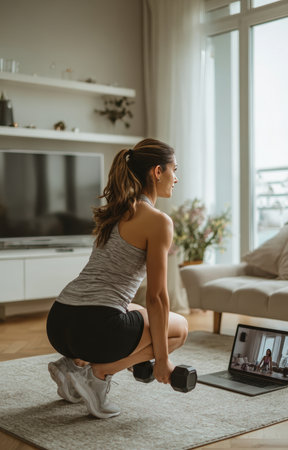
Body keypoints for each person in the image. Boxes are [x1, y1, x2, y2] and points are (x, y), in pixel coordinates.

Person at [46, 138, 188, 419]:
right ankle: (97, 374)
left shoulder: (115, 211)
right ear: (157, 172)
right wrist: (162, 360)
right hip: (96, 326)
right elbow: (157, 297)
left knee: (135, 311)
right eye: (174, 169)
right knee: (180, 327)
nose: (177, 178)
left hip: (60, 321)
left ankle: (71, 366)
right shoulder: (158, 220)